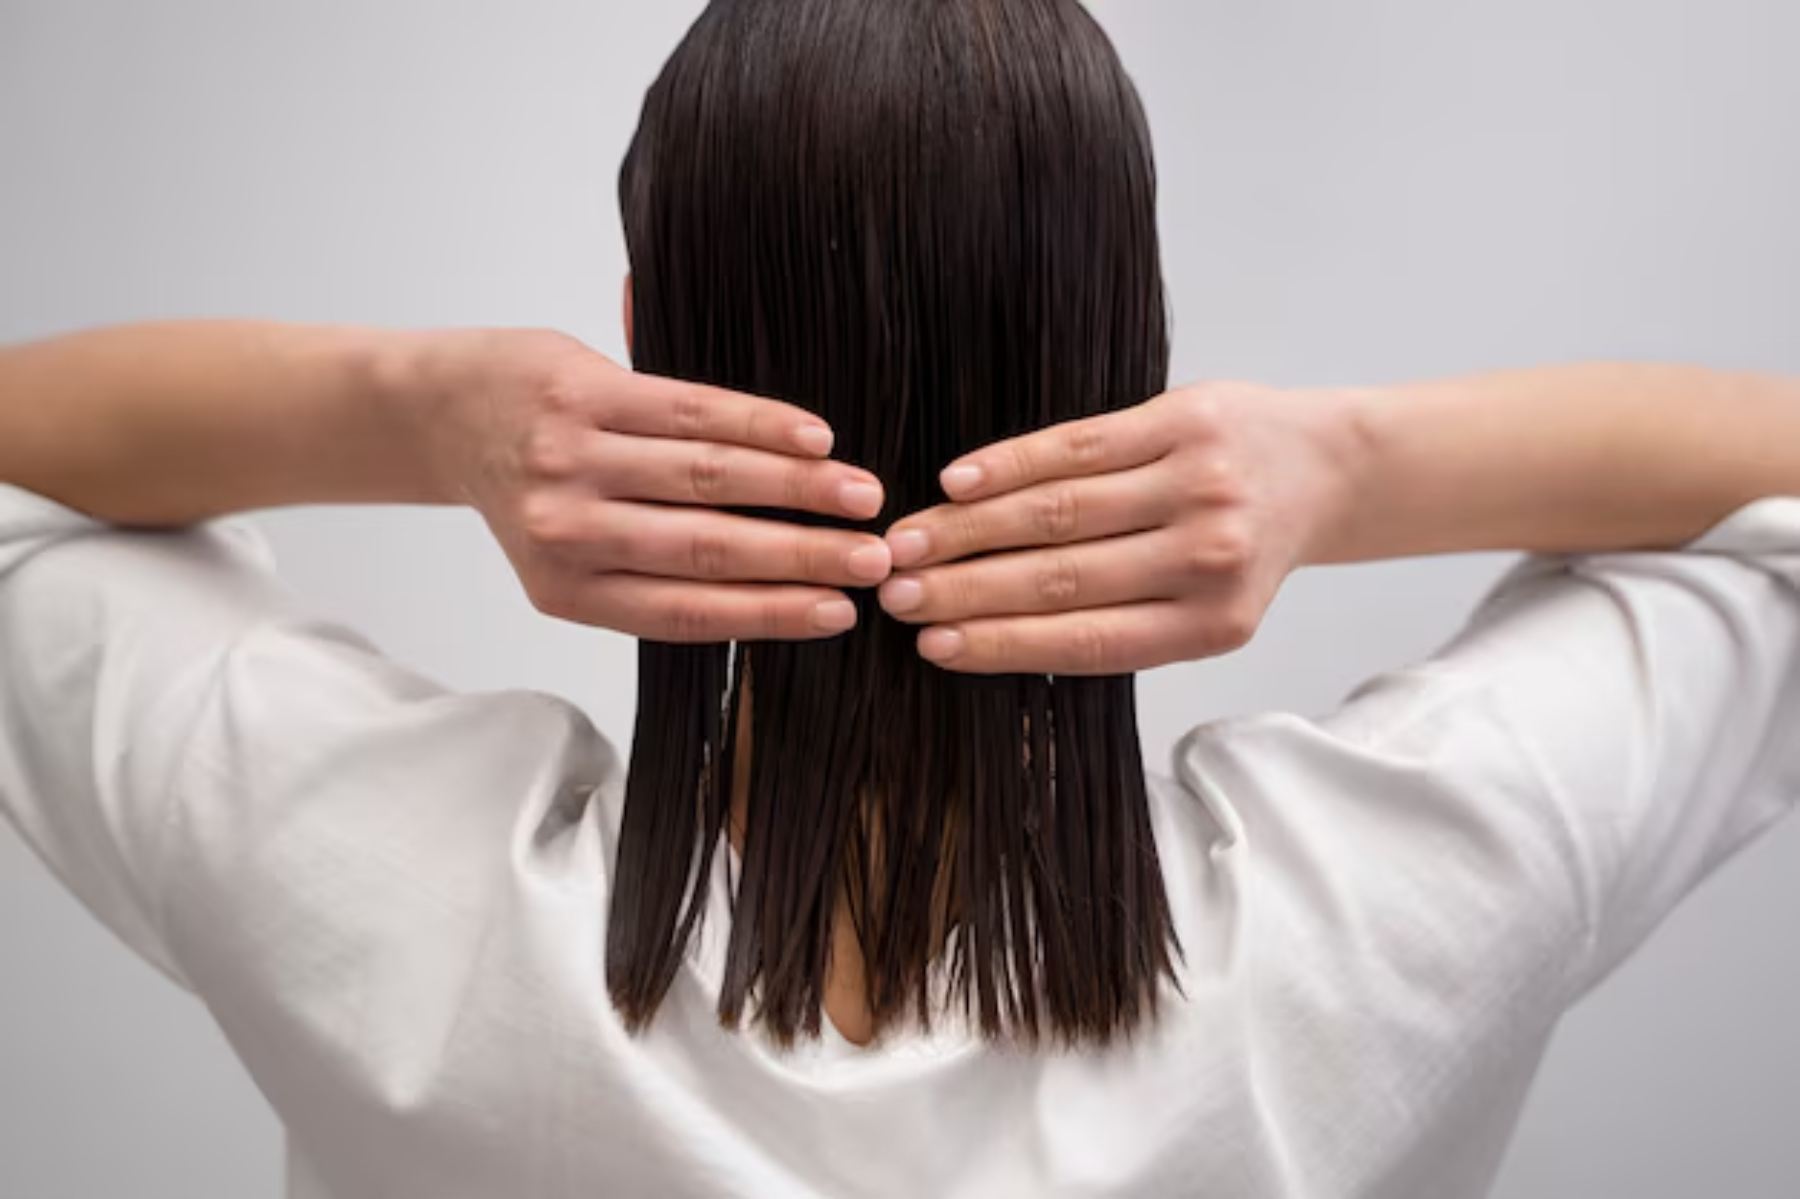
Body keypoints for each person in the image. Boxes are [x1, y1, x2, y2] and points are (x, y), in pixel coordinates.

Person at [3, 1, 1799, 1196]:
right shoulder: (1402, 898)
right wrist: (1352, 462)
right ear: (1135, 367)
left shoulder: (384, 900)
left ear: (640, 338)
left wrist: (412, 407)